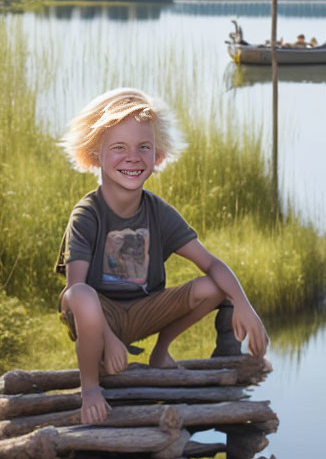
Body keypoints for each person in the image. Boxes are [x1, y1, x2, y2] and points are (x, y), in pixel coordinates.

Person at [55, 88, 269, 426]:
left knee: (212, 286)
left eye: (144, 147)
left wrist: (244, 305)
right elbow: (73, 290)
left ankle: (160, 351)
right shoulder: (87, 214)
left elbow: (211, 263)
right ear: (96, 154)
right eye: (118, 148)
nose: (133, 157)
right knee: (81, 295)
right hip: (96, 316)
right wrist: (109, 341)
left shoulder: (158, 212)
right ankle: (90, 387)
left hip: (143, 310)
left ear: (157, 156)